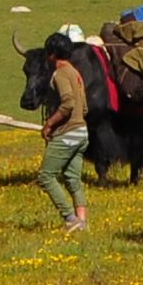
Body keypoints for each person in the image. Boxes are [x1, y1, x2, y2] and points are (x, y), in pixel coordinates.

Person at [34, 38, 93, 234]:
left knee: (45, 176)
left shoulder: (60, 74)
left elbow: (67, 103)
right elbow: (83, 106)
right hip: (82, 132)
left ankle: (70, 217)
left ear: (52, 54)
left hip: (67, 134)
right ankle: (82, 222)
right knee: (72, 179)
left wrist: (49, 124)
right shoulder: (76, 73)